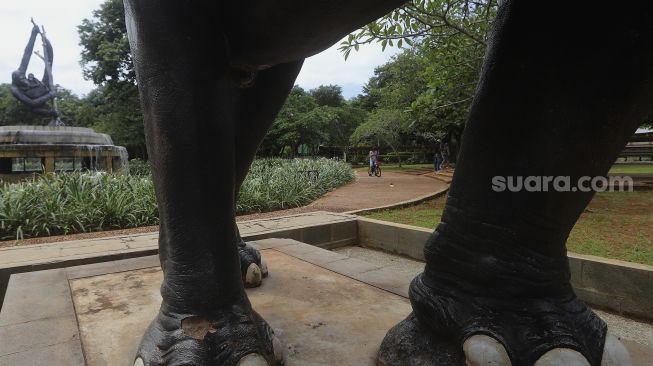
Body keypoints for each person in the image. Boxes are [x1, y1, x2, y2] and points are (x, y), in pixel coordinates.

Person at [10, 23, 59, 119]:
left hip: (42, 86)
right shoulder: (15, 90)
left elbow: (27, 52)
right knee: (32, 108)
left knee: (49, 64)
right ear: (17, 82)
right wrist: (50, 95)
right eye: (22, 81)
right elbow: (31, 103)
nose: (24, 80)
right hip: (37, 99)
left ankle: (48, 44)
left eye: (24, 78)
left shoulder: (20, 72)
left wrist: (33, 34)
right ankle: (52, 113)